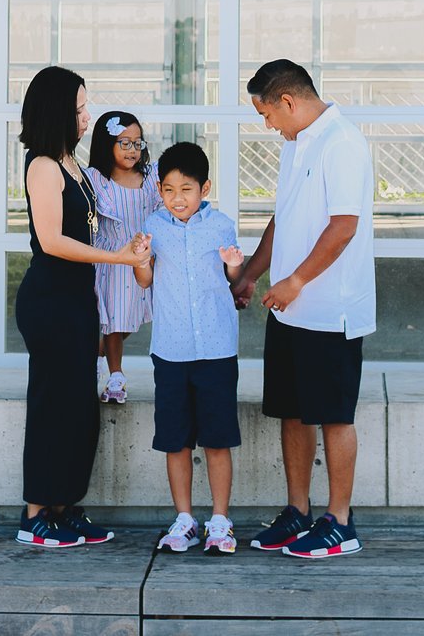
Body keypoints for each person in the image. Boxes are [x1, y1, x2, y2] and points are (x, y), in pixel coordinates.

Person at [235, 57, 374, 560]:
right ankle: (298, 513)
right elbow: (284, 218)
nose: (268, 126)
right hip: (288, 311)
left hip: (330, 310)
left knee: (334, 416)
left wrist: (295, 281)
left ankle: (340, 522)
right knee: (292, 414)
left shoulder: (343, 144)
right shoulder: (296, 145)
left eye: (267, 115)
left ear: (288, 101)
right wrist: (252, 273)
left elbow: (343, 226)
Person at [14, 65, 148, 549]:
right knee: (52, 405)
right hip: (50, 301)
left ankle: (65, 506)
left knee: (78, 409)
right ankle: (35, 515)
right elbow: (52, 241)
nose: (87, 116)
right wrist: (116, 257)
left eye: (86, 106)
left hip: (78, 300)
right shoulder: (43, 165)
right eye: (79, 109)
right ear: (56, 111)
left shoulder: (71, 162)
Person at [128, 139, 246, 554]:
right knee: (175, 439)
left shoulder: (222, 225)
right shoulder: (153, 227)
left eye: (187, 189)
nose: (178, 198)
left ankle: (219, 520)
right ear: (159, 190)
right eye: (169, 190)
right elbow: (145, 282)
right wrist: (141, 258)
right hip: (172, 350)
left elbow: (234, 280)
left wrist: (234, 265)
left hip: (216, 349)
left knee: (217, 439)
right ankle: (184, 519)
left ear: (205, 188)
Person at [85, 109, 159, 404]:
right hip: (113, 257)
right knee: (113, 318)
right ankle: (116, 374)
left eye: (137, 143)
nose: (132, 150)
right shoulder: (96, 179)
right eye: (124, 143)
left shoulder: (151, 176)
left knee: (129, 319)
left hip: (144, 257)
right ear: (107, 144)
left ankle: (97, 353)